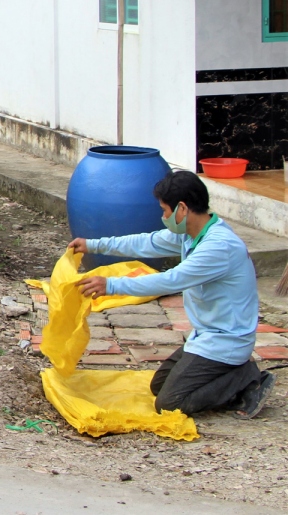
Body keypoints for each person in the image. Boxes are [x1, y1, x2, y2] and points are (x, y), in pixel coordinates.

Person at [72, 170, 274, 419]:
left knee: (169, 404)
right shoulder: (191, 235)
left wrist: (112, 285)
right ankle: (231, 375)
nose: (163, 217)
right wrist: (93, 244)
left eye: (165, 210)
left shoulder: (219, 246)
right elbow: (147, 242)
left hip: (226, 341)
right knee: (159, 386)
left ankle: (245, 377)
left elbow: (171, 280)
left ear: (182, 208)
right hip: (205, 336)